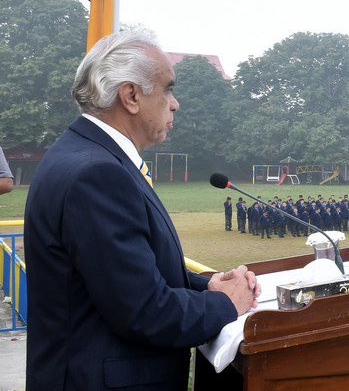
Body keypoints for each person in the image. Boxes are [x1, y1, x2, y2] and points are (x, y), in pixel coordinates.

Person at [23, 32, 261, 391]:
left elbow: (119, 272)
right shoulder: (97, 173)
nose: (175, 103)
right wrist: (226, 303)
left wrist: (206, 284)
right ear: (131, 96)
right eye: (167, 89)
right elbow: (144, 310)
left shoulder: (85, 154)